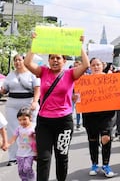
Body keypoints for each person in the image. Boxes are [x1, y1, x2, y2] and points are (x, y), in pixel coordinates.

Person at [24, 34, 90, 181]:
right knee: (43, 158)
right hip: (44, 123)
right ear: (48, 60)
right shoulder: (43, 72)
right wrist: (34, 44)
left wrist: (80, 46)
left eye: (58, 58)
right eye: (52, 58)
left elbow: (85, 65)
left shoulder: (70, 74)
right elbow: (27, 63)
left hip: (64, 122)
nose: (55, 60)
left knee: (62, 156)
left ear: (64, 61)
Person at [0, 54, 40, 166]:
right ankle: (13, 157)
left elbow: (37, 89)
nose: (17, 62)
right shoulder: (10, 75)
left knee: (31, 130)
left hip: (28, 103)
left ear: (24, 61)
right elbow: (5, 89)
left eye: (19, 60)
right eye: (15, 60)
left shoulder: (32, 74)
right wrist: (2, 90)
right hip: (12, 104)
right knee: (13, 130)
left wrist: (35, 101)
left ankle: (32, 153)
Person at [82, 58, 118, 178]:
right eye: (93, 65)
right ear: (90, 67)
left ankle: (106, 165)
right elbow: (78, 96)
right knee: (92, 140)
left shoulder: (111, 79)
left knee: (106, 138)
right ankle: (94, 164)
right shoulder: (84, 81)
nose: (96, 67)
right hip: (90, 115)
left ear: (103, 65)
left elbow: (119, 93)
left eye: (98, 65)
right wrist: (76, 98)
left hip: (107, 115)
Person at [5, 107, 36, 181]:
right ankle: (24, 179)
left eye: (24, 119)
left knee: (27, 168)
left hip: (30, 153)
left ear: (30, 118)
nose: (22, 122)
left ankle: (32, 178)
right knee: (21, 171)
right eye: (20, 120)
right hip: (20, 154)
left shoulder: (33, 128)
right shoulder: (19, 128)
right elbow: (13, 138)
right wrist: (7, 144)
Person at [71, 60, 83, 130]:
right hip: (71, 94)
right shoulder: (71, 74)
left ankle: (78, 124)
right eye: (75, 66)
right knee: (71, 110)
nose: (76, 67)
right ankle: (71, 123)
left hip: (79, 94)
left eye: (77, 66)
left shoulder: (83, 75)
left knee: (78, 110)